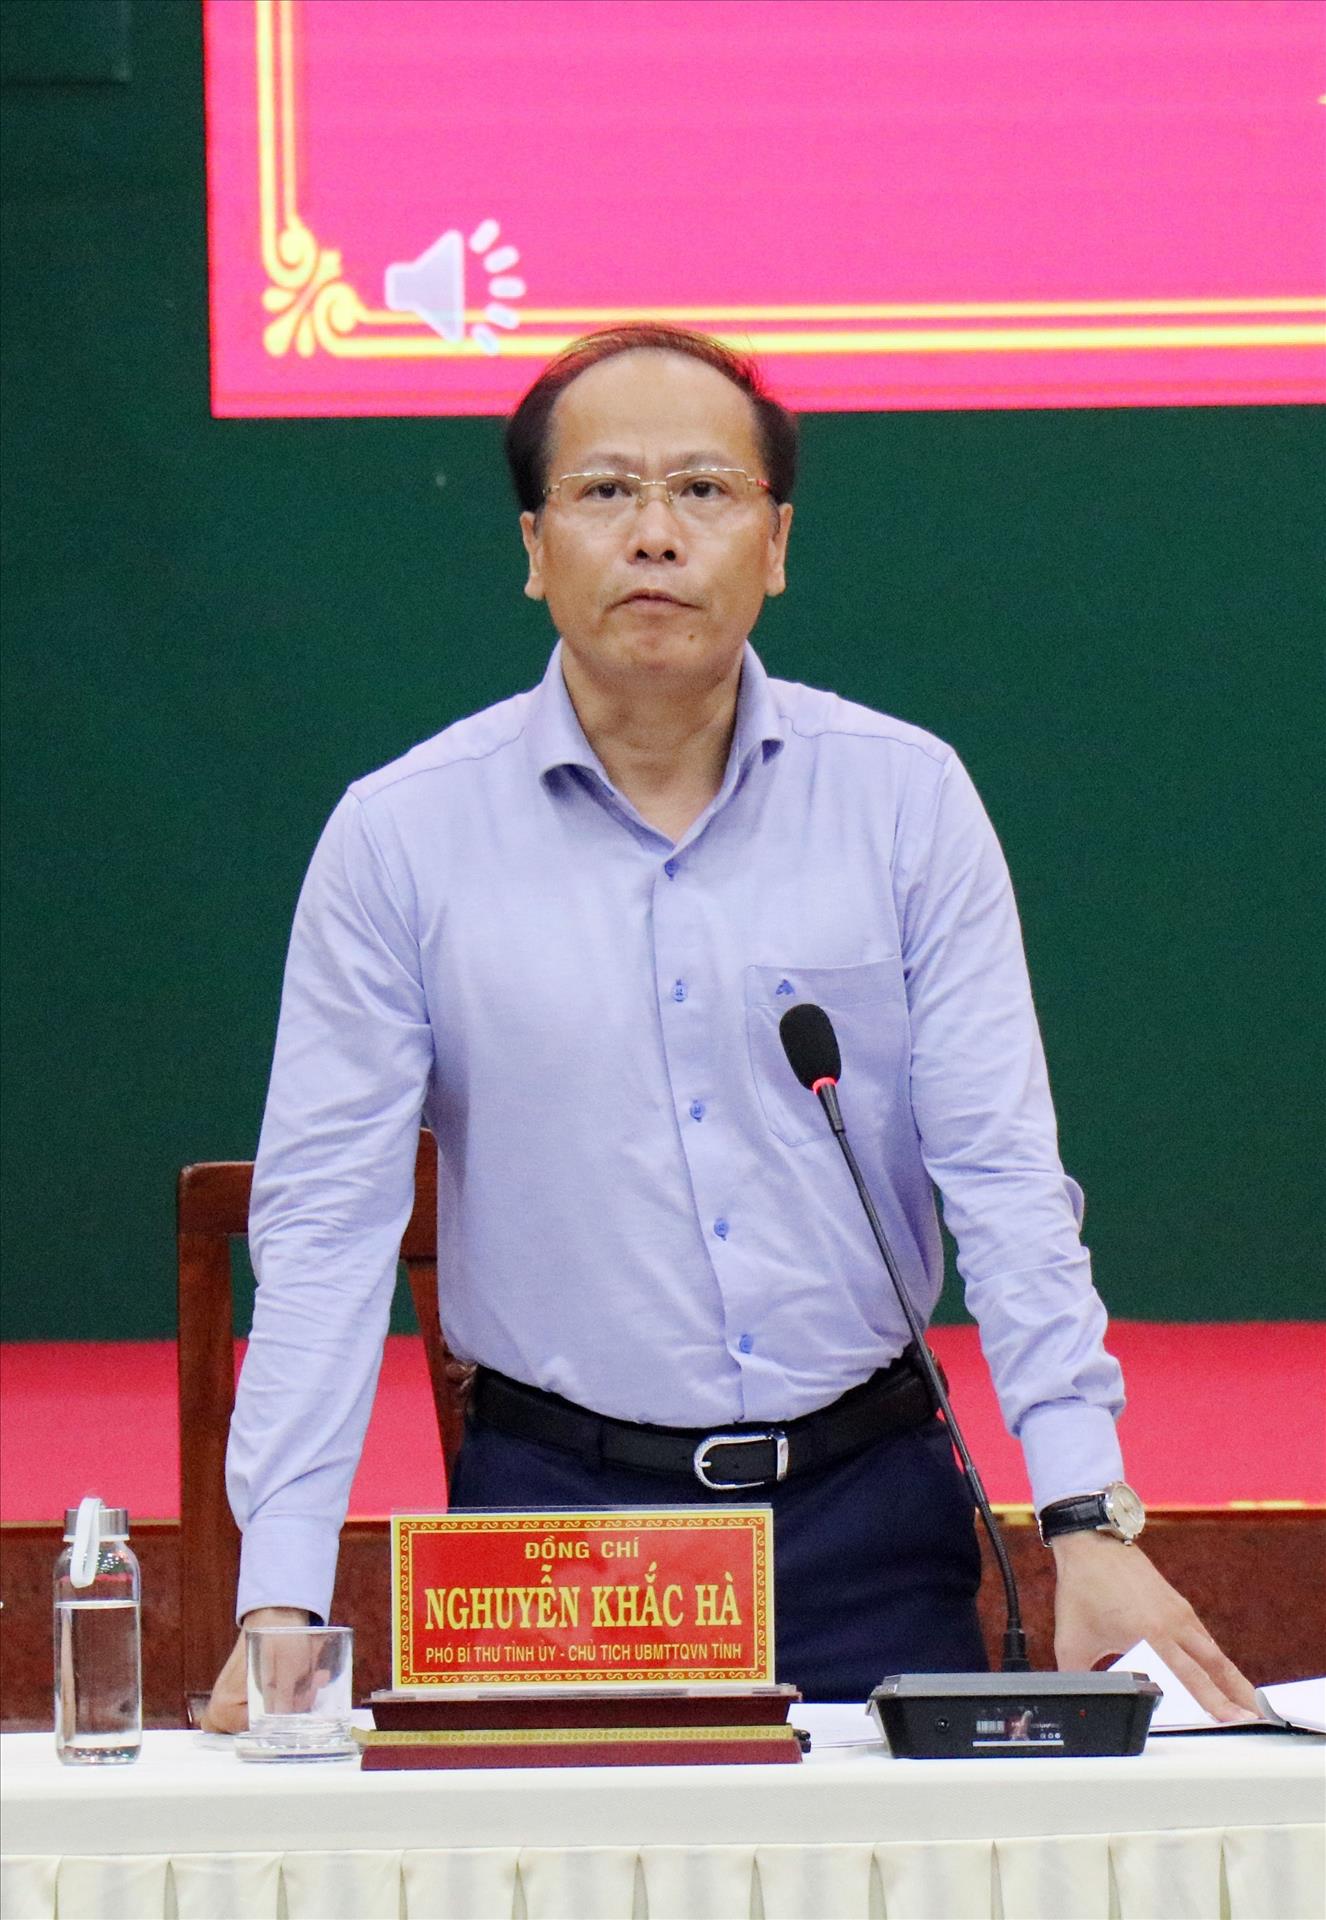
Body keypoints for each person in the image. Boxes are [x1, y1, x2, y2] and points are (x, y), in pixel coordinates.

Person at [204, 324, 1259, 1729]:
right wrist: (281, 1596)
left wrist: (1083, 1512)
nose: (654, 534)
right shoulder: (401, 839)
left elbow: (1001, 1175)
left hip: (864, 1508)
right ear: (532, 549)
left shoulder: (903, 801)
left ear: (776, 544)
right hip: (561, 1536)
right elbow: (327, 1227)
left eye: (703, 490)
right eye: (604, 492)